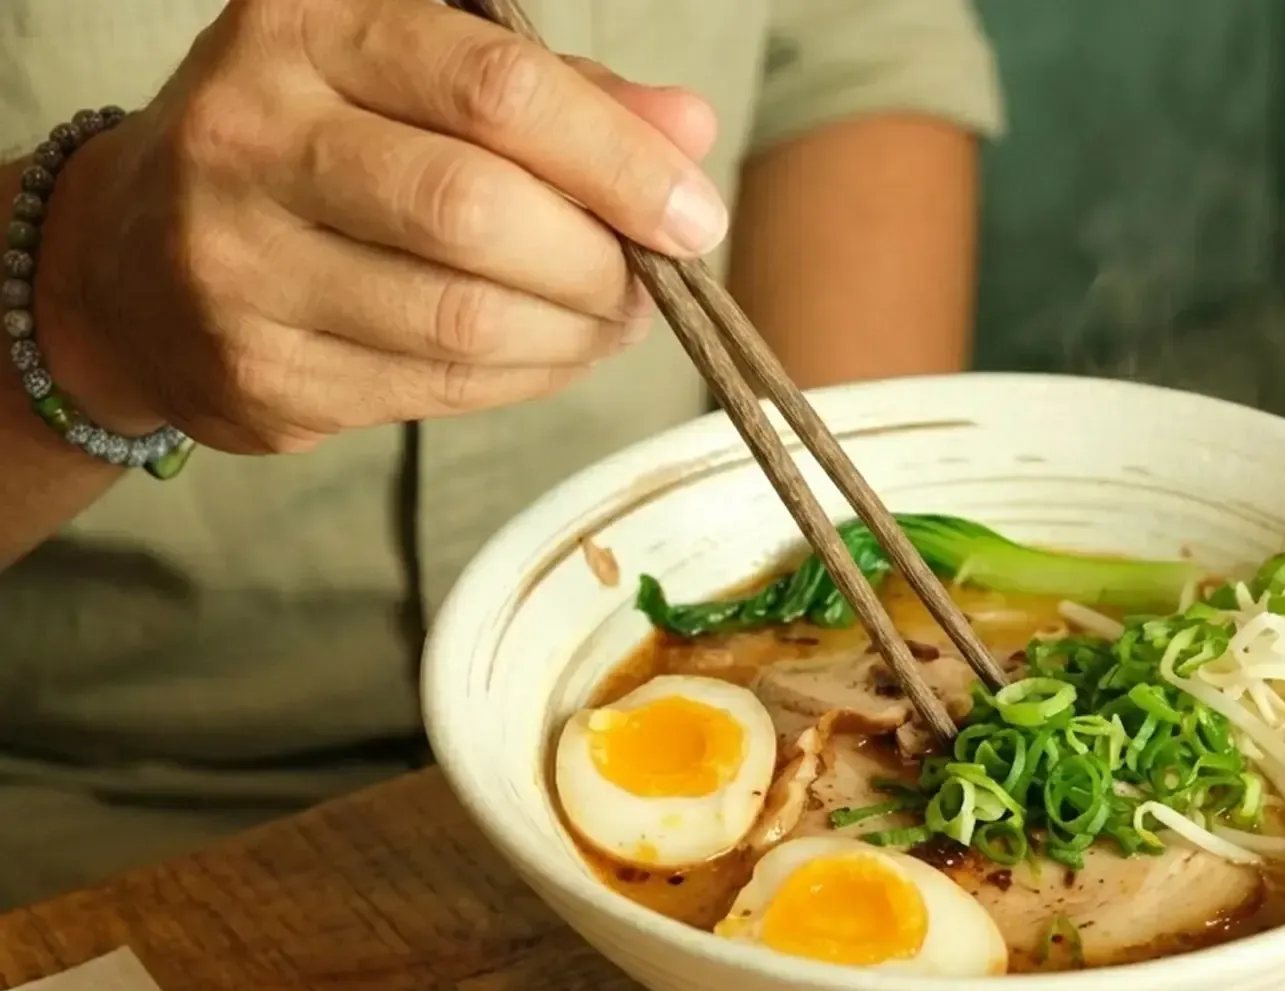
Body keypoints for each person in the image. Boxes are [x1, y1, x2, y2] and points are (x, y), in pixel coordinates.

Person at [0, 0, 1004, 908]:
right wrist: (82, 295)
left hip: (692, 690)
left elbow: (846, 58)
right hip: (87, 830)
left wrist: (843, 619)